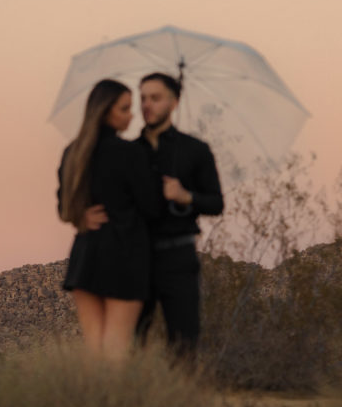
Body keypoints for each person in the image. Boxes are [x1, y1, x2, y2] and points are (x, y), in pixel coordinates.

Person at [83, 73, 224, 354]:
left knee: (184, 343)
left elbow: (216, 203)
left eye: (155, 98)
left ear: (174, 102)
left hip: (179, 258)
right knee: (129, 344)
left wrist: (186, 196)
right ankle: (132, 397)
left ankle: (179, 397)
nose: (146, 105)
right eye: (143, 98)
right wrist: (81, 215)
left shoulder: (196, 151)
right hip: (135, 256)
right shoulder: (127, 151)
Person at [56, 78, 160, 359]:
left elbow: (63, 208)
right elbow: (152, 208)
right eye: (125, 109)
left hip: (86, 256)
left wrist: (80, 216)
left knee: (95, 352)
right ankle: (111, 405)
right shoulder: (130, 153)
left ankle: (91, 403)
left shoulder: (73, 153)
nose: (131, 115)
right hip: (125, 257)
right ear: (106, 111)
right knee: (116, 352)